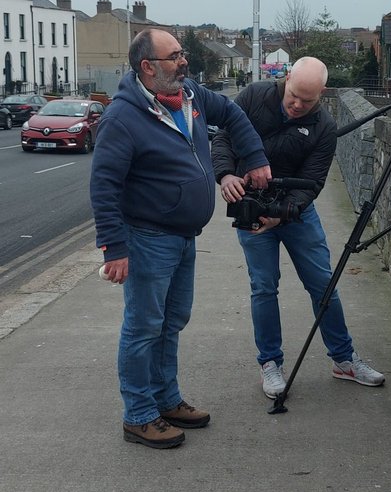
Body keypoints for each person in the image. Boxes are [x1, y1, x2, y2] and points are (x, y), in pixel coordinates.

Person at [90, 28, 271, 449]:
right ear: (147, 67)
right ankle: (138, 415)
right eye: (174, 57)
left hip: (183, 235)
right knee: (143, 327)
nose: (184, 61)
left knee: (171, 323)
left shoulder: (188, 95)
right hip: (147, 238)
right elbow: (104, 186)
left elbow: (233, 113)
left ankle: (166, 400)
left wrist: (257, 157)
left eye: (182, 53)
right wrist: (114, 249)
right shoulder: (123, 116)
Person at [211, 56, 385, 398]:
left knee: (323, 285)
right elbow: (223, 138)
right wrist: (226, 173)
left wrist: (283, 214)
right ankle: (270, 364)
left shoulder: (324, 127)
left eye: (308, 100)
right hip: (251, 206)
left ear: (322, 93)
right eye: (293, 95)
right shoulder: (253, 97)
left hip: (296, 213)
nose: (297, 105)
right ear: (287, 78)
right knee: (264, 287)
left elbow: (312, 183)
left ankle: (344, 359)